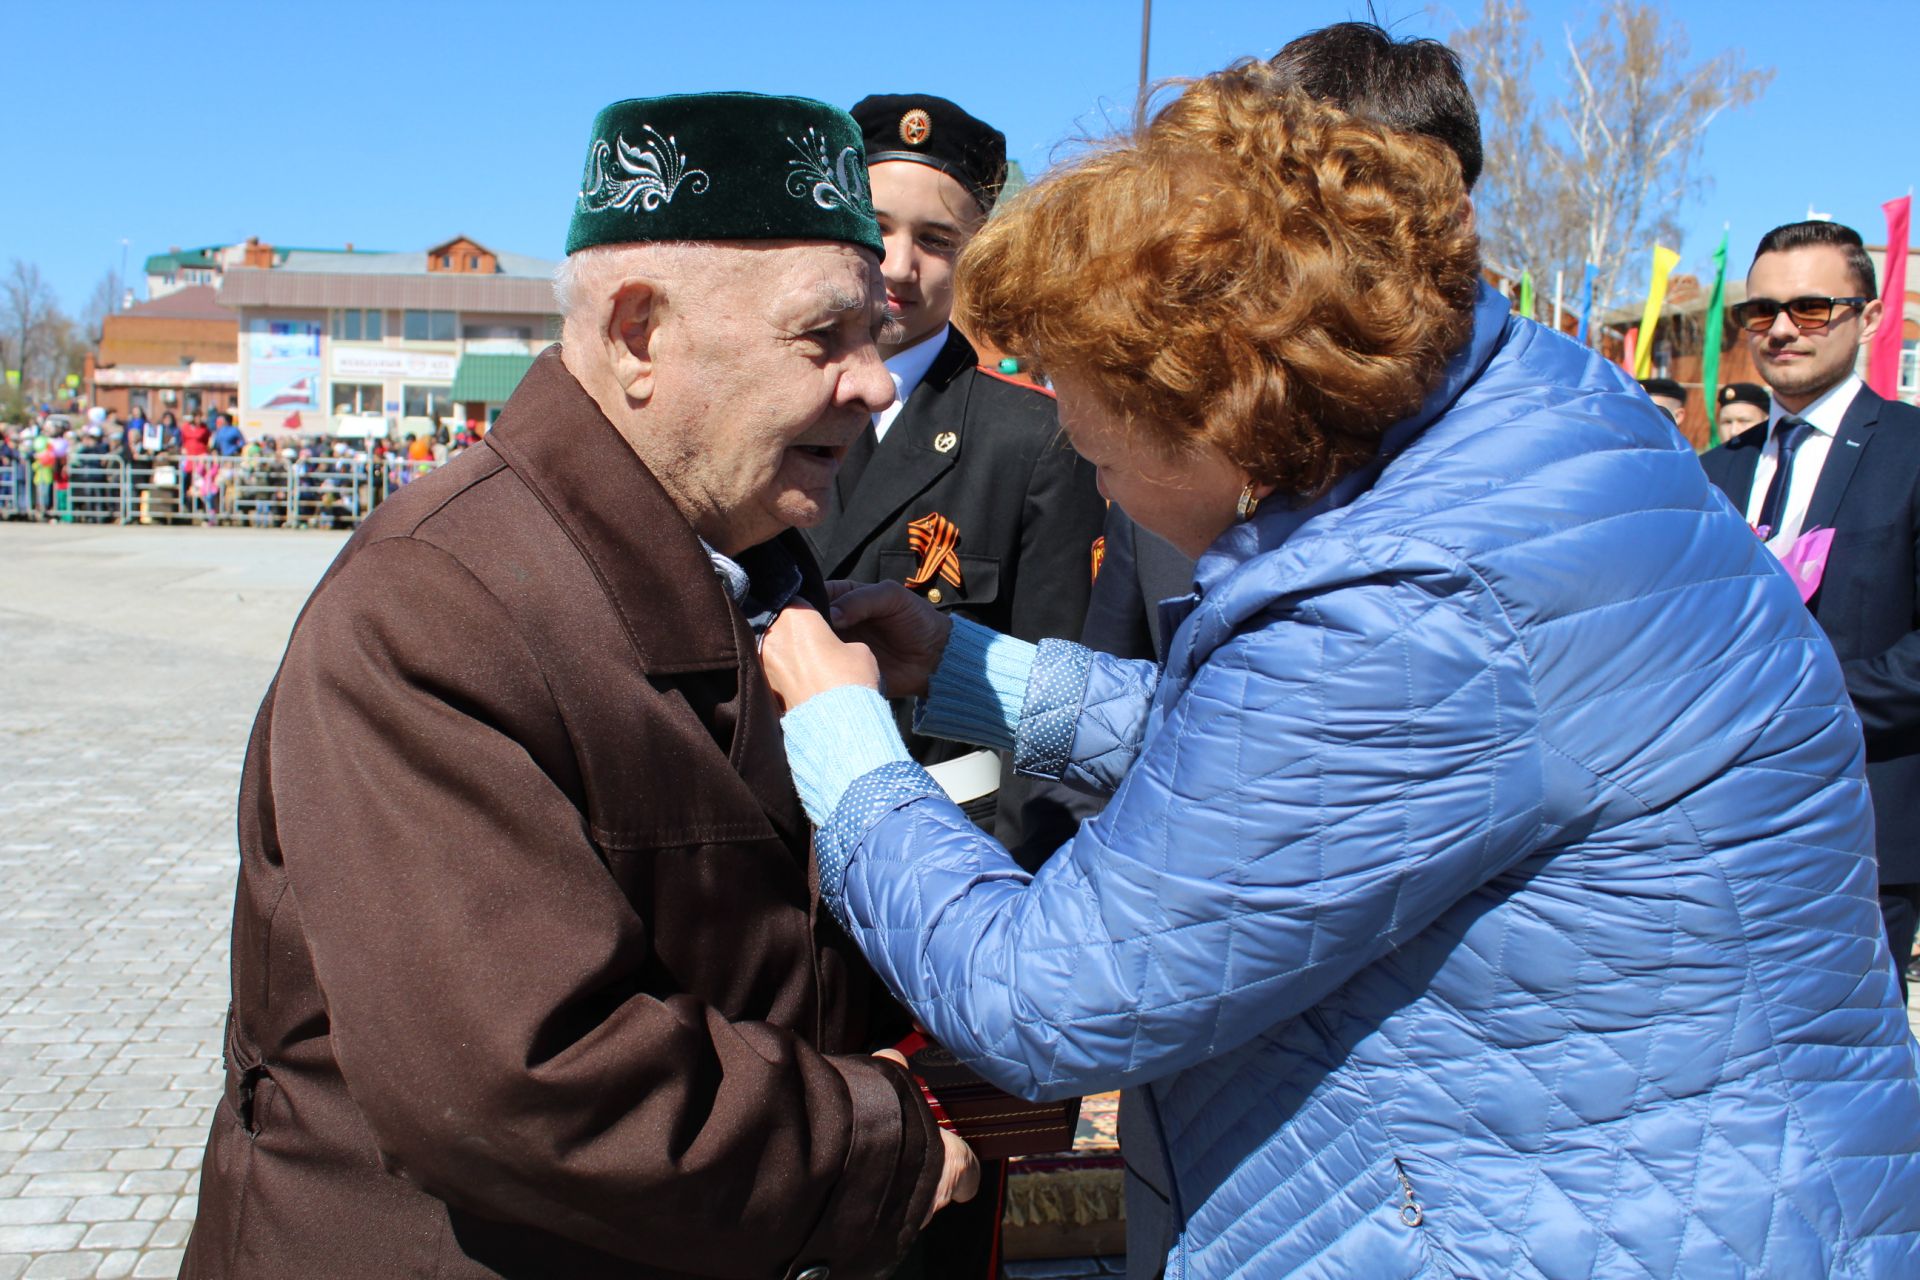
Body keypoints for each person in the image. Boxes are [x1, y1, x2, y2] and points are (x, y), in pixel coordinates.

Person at [761, 69, 1920, 1278]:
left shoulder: (1413, 603)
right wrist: (960, 663)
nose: (1092, 468)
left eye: (1096, 430)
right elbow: (1292, 773)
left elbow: (1048, 994)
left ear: (1215, 401)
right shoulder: (1515, 432)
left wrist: (847, 741)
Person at [182, 91, 973, 1280]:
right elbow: (520, 1077)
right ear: (642, 332)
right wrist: (875, 1147)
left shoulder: (758, 557)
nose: (872, 383)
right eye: (825, 338)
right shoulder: (437, 606)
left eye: (875, 336)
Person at [1014, 20, 1492, 859]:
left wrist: (859, 770)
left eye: (1341, 210)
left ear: (1446, 215)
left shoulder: (1481, 502)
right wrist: (960, 667)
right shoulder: (1186, 438)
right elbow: (1189, 718)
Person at [801, 93, 1106, 854]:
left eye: (937, 240)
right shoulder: (767, 405)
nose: (899, 267)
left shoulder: (1032, 440)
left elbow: (1052, 706)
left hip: (944, 854)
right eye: (876, 229)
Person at [1699, 218, 1920, 996]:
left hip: (1862, 835)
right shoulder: (1705, 474)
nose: (1782, 329)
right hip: (1715, 837)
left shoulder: (1910, 452)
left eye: (1812, 308)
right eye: (1760, 312)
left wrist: (1798, 706)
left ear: (1868, 315)